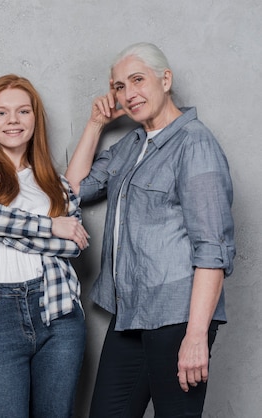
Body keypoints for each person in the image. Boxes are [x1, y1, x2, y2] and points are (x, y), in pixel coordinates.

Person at [65, 42, 236, 417]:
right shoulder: (134, 145)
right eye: (119, 86)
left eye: (137, 80)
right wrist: (96, 123)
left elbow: (213, 249)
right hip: (130, 315)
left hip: (177, 318)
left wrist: (195, 336)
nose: (129, 94)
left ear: (166, 79)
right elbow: (74, 190)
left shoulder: (195, 145)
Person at [0, 74, 90, 418]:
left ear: (35, 119)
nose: (13, 120)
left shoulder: (54, 182)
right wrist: (49, 226)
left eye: (23, 111)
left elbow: (74, 245)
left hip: (58, 311)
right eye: (2, 113)